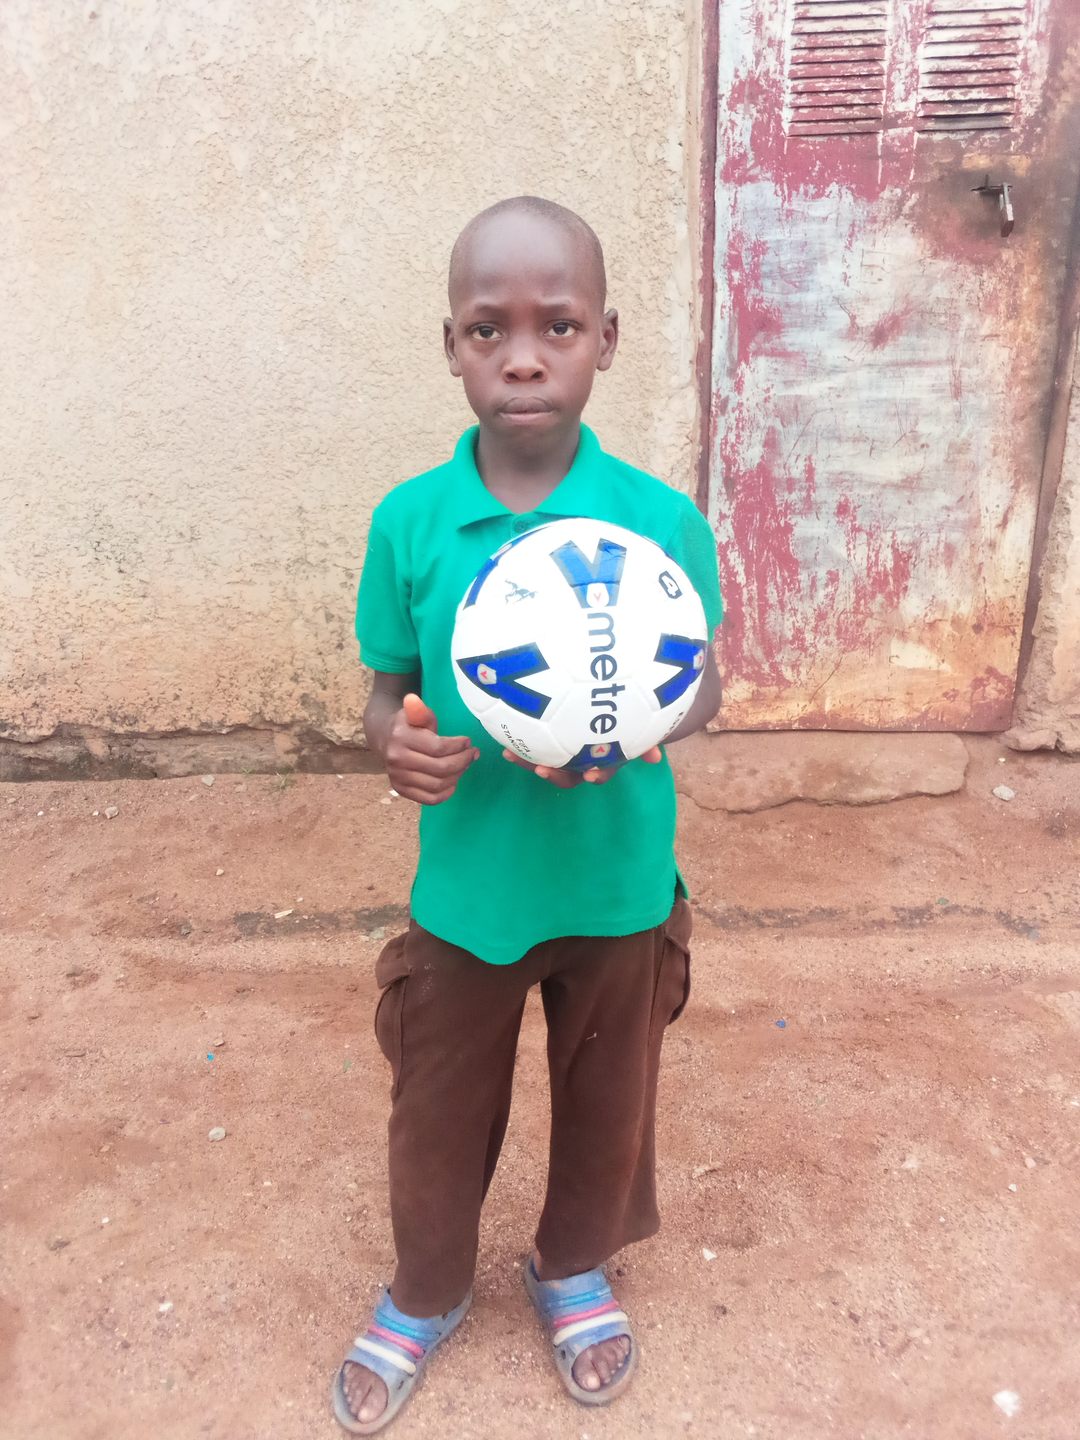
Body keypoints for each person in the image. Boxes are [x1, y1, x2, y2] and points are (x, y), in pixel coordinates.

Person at [333, 195, 723, 1434]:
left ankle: (572, 1265)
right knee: (438, 1108)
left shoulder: (655, 524)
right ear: (449, 345)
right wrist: (395, 745)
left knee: (609, 1101)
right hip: (470, 891)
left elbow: (705, 683)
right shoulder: (411, 522)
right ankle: (427, 1286)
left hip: (615, 881)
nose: (522, 356)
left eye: (557, 325)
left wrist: (639, 725)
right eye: (487, 329)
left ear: (606, 338)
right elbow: (385, 693)